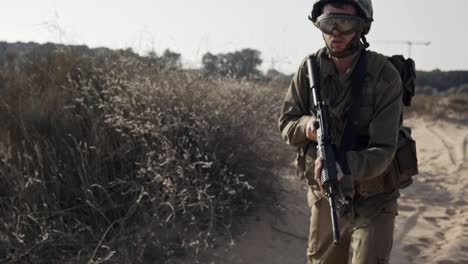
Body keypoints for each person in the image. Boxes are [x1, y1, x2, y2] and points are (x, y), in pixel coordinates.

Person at [278, 0, 403, 263]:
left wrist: (343, 165)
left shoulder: (385, 75)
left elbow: (384, 150)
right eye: (328, 23)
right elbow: (287, 125)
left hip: (374, 194)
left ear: (361, 27)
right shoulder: (309, 68)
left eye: (344, 23)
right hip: (326, 191)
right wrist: (308, 127)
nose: (335, 32)